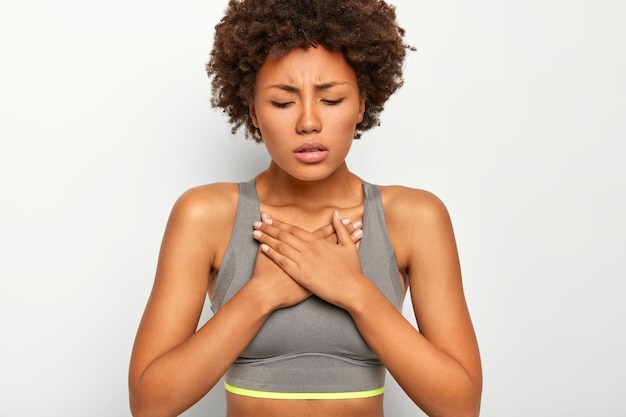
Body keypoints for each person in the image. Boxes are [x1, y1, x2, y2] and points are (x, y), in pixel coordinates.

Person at [129, 0, 482, 416]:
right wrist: (260, 294)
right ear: (253, 111)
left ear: (362, 104)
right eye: (282, 102)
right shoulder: (205, 215)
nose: (309, 123)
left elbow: (460, 406)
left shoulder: (414, 218)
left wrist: (353, 290)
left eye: (331, 100)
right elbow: (150, 404)